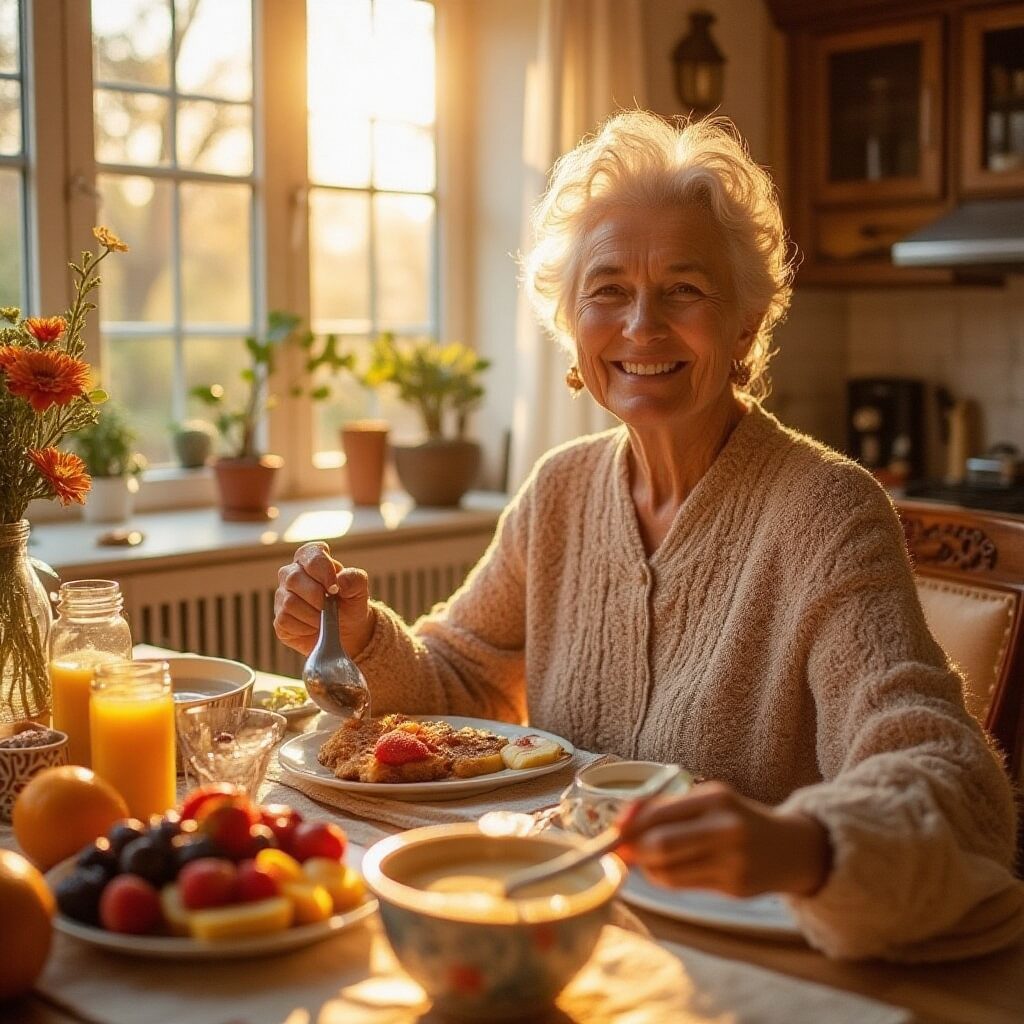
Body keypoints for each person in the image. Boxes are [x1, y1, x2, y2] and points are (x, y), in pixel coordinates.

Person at [274, 110, 1023, 961]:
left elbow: (958, 789)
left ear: (745, 324)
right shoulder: (561, 488)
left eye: (683, 290)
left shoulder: (827, 512)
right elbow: (466, 683)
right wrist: (365, 638)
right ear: (571, 325)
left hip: (749, 963)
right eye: (608, 291)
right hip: (566, 928)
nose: (640, 327)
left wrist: (810, 847)